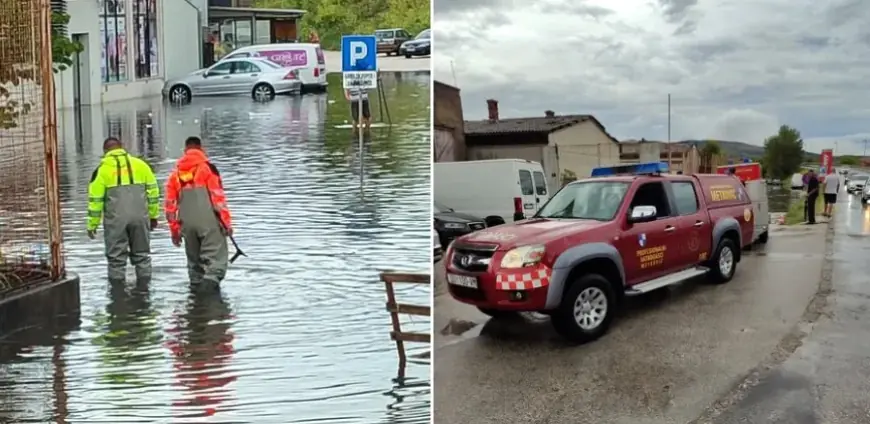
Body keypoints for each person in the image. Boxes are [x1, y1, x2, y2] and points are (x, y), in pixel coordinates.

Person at [87, 137, 160, 282]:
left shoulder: (101, 171)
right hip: (140, 218)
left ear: (105, 152)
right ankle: (144, 293)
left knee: (116, 261)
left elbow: (95, 201)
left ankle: (117, 296)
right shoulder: (142, 165)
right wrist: (153, 216)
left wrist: (92, 225)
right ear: (122, 147)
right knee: (142, 256)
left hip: (116, 222)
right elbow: (153, 193)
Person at [164, 136, 233, 288]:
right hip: (208, 222)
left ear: (185, 151)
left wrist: (174, 231)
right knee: (215, 262)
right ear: (202, 149)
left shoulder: (175, 175)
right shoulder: (208, 169)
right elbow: (218, 199)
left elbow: (170, 207)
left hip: (187, 224)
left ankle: (195, 300)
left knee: (195, 265)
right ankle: (210, 300)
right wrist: (227, 224)